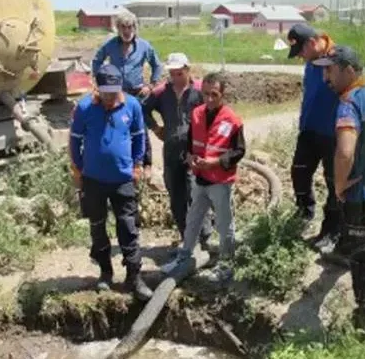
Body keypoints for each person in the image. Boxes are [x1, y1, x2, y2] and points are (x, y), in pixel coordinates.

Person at [314, 45, 365, 331]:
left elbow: (345, 152)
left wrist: (339, 184)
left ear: (349, 70)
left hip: (362, 191)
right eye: (324, 69)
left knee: (362, 255)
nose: (326, 77)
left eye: (331, 70)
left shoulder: (348, 103)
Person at [69, 64, 154, 301]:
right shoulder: (85, 108)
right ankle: (105, 273)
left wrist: (138, 165)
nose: (109, 98)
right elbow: (74, 141)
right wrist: (77, 168)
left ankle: (134, 277)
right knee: (97, 226)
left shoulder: (132, 106)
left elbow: (139, 138)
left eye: (113, 93)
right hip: (93, 180)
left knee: (128, 226)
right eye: (105, 93)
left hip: (123, 179)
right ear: (97, 88)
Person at [172, 71, 246, 284]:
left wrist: (215, 162)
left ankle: (226, 264)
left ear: (222, 94)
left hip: (220, 181)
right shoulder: (196, 114)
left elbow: (239, 151)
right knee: (193, 218)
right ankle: (184, 256)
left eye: (214, 94)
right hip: (200, 178)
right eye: (205, 94)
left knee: (224, 224)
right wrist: (189, 157)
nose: (209, 99)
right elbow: (190, 143)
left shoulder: (232, 120)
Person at [143, 52, 213, 248]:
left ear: (187, 70)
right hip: (172, 148)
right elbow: (143, 109)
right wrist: (156, 128)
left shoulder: (200, 91)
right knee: (176, 194)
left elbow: (215, 112)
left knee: (196, 192)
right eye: (172, 73)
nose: (175, 77)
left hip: (195, 149)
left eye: (179, 73)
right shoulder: (161, 93)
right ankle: (187, 237)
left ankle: (205, 237)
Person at [286, 23, 343, 254]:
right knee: (298, 171)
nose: (300, 56)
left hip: (333, 135)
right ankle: (304, 212)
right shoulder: (311, 62)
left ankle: (332, 231)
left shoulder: (338, 59)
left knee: (333, 184)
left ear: (312, 43)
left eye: (301, 51)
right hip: (309, 131)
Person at [92, 11, 162, 177]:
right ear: (118, 28)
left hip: (138, 94)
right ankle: (121, 162)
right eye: (123, 27)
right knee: (117, 126)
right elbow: (97, 61)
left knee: (140, 128)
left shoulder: (144, 46)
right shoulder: (110, 45)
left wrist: (151, 85)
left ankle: (146, 164)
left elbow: (157, 65)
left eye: (130, 26)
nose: (126, 30)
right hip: (116, 93)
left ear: (135, 28)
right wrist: (101, 82)